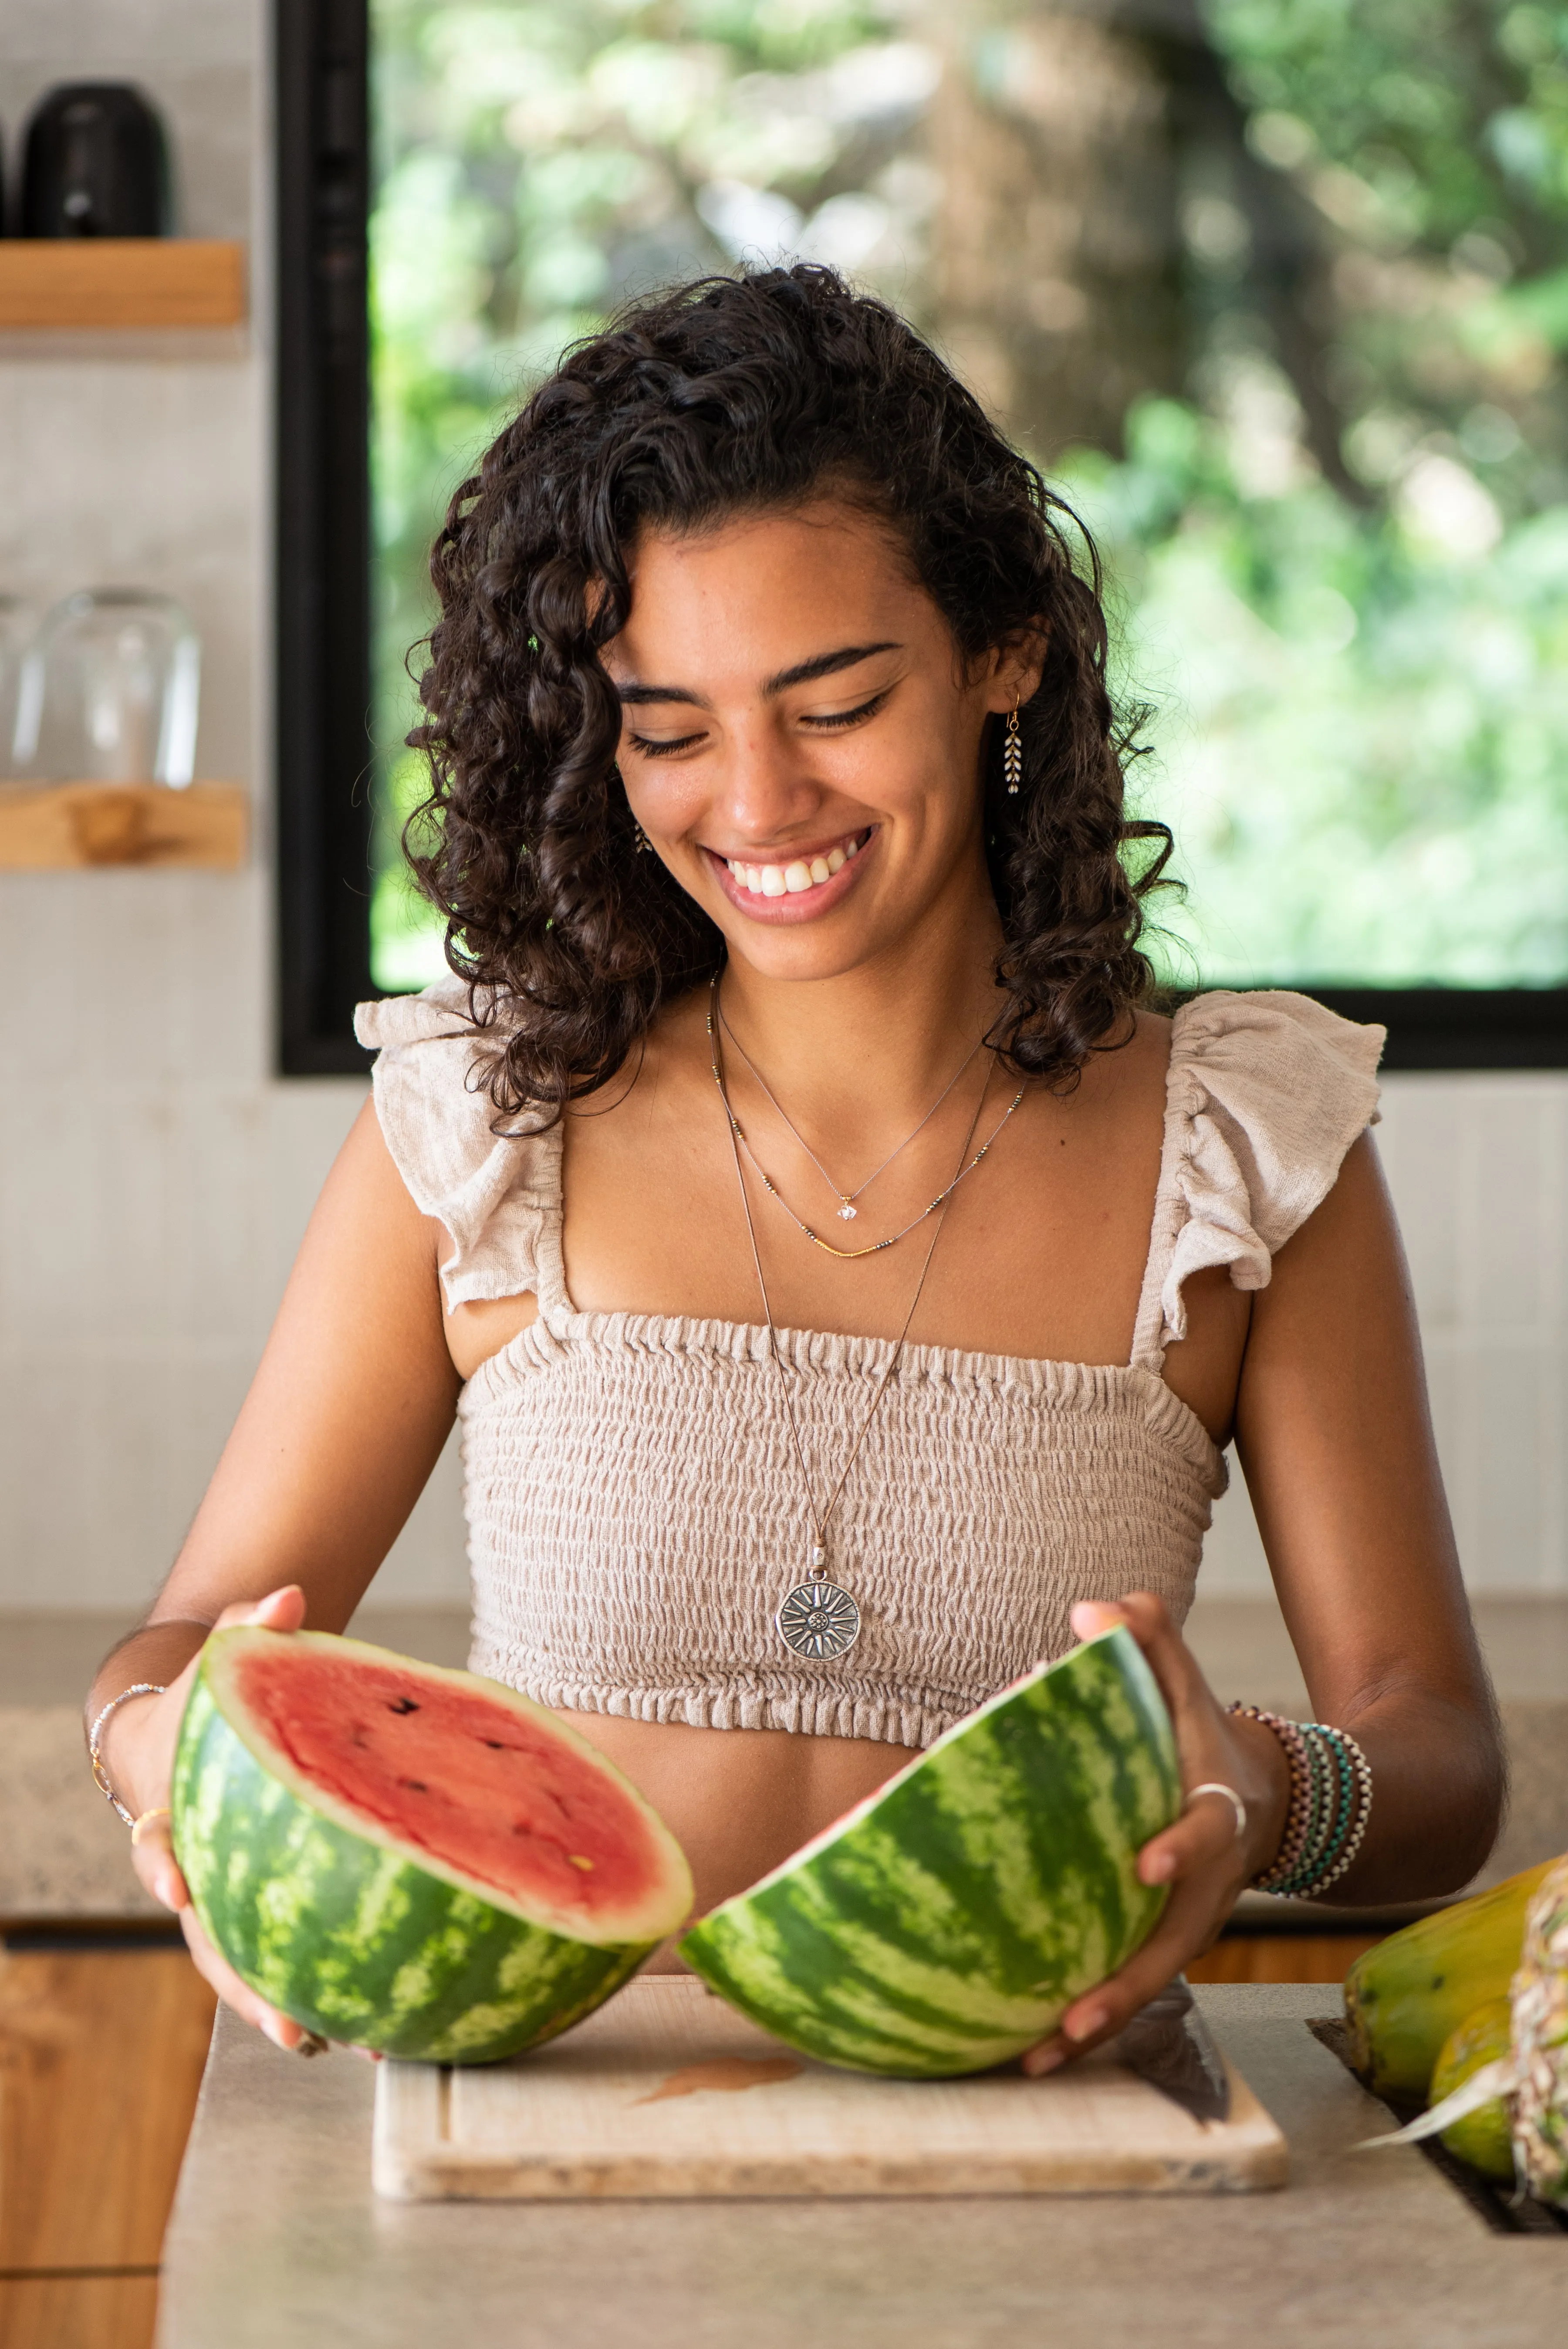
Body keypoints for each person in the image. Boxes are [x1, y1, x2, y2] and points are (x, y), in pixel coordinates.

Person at [86, 265, 1503, 2067]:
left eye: (832, 703)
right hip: (555, 2132)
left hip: (1044, 2142)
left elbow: (1440, 1760)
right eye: (668, 729)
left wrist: (1264, 1781)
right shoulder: (487, 1118)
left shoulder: (1241, 1149)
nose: (752, 804)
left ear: (1006, 648)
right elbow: (179, 1648)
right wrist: (171, 1763)